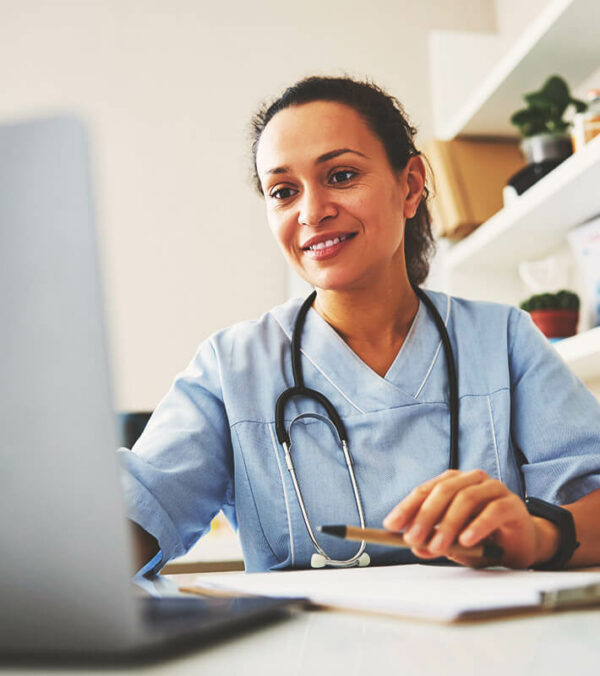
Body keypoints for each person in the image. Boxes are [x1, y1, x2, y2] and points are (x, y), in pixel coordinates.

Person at [119, 76, 600, 576]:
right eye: (283, 191)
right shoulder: (232, 367)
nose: (312, 211)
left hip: (491, 649)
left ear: (409, 186)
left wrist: (538, 531)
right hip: (305, 654)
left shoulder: (502, 340)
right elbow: (137, 514)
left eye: (342, 175)